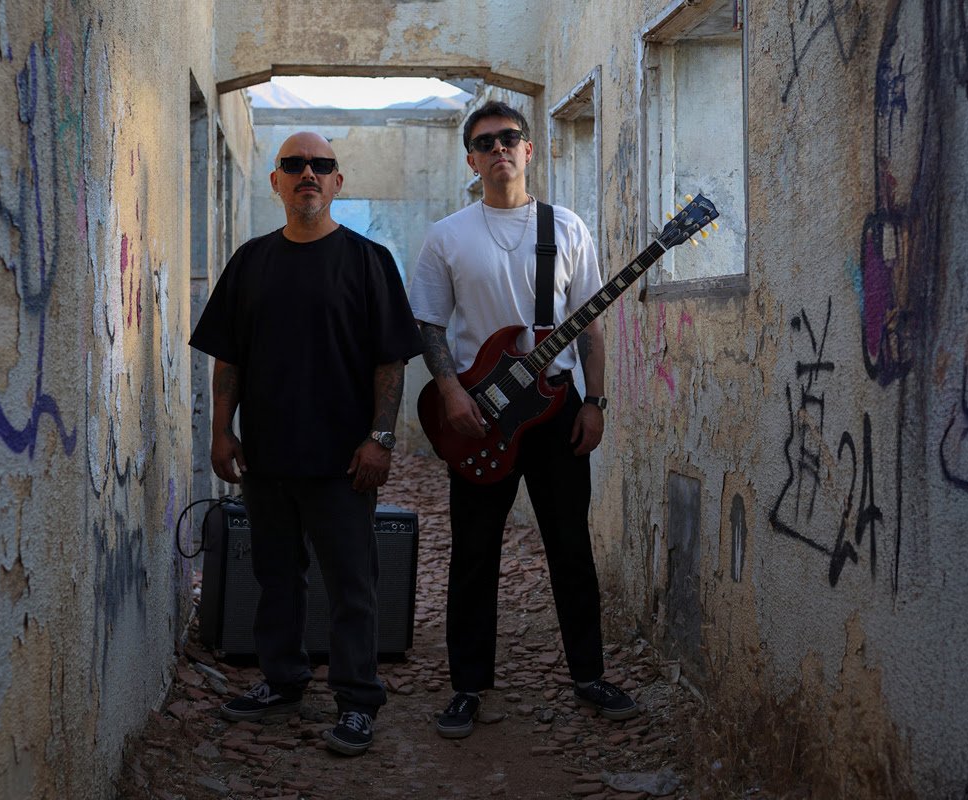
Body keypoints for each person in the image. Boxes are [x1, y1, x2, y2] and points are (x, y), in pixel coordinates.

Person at [188, 131, 424, 756]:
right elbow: (228, 356)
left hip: (344, 460)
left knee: (352, 582)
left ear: (338, 182)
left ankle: (357, 700)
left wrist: (380, 439)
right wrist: (220, 430)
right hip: (267, 456)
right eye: (293, 165)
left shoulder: (369, 261)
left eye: (321, 165)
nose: (308, 174)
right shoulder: (251, 262)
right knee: (275, 575)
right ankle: (283, 680)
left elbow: (391, 361)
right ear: (276, 182)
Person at [409, 101, 639, 739]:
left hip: (556, 408)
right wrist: (450, 393)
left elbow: (590, 325)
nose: (499, 149)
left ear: (529, 149)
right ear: (471, 160)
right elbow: (428, 323)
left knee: (570, 546)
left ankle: (588, 675)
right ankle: (467, 686)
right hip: (478, 414)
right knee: (474, 552)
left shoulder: (565, 228)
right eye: (485, 143)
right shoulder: (448, 236)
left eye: (509, 138)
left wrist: (595, 402)